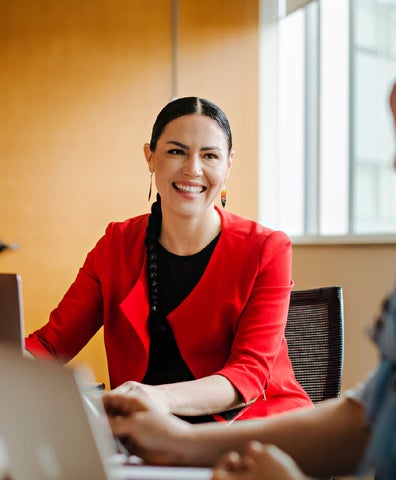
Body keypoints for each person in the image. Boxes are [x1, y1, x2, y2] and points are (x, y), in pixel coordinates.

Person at [102, 0, 396, 478]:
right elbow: (370, 417)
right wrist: (180, 442)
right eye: (176, 151)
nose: (392, 94)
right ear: (151, 158)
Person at [25, 96, 313, 423]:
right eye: (177, 151)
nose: (193, 168)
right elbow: (49, 345)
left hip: (253, 429)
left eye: (209, 156)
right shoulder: (116, 244)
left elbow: (248, 374)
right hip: (150, 439)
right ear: (150, 157)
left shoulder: (266, 249)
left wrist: (155, 397)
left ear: (228, 164)